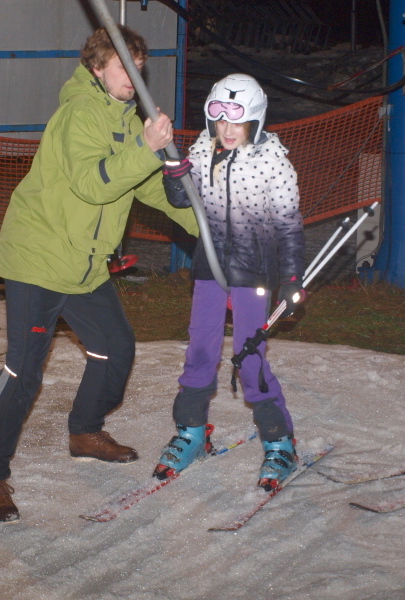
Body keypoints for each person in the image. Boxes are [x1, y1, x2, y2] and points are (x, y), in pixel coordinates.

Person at [0, 26, 199, 522]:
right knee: (24, 371)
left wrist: (206, 224)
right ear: (97, 68)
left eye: (139, 67)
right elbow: (93, 184)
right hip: (39, 257)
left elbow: (148, 188)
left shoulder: (126, 119)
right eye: (123, 66)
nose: (134, 76)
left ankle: (85, 432)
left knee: (115, 347)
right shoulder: (79, 114)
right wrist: (145, 146)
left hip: (83, 262)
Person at [156, 73, 305, 491]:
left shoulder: (273, 161)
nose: (227, 129)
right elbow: (181, 199)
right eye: (220, 120)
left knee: (249, 356)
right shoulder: (202, 150)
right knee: (200, 349)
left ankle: (279, 440)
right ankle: (191, 431)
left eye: (237, 122)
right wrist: (174, 174)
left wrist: (292, 277)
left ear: (255, 122)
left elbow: (289, 226)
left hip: (252, 270)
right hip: (210, 265)